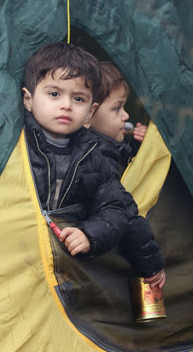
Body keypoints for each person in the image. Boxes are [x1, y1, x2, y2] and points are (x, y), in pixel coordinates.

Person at [21, 42, 164, 289]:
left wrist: (89, 234)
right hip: (15, 258)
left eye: (78, 98)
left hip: (59, 275)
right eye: (54, 94)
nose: (66, 105)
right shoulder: (15, 145)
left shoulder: (95, 159)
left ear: (90, 112)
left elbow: (117, 210)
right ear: (28, 99)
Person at [86, 61, 166, 288]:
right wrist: (153, 265)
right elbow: (123, 212)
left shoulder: (100, 148)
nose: (126, 115)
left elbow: (120, 166)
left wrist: (139, 149)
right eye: (117, 108)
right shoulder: (95, 158)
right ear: (89, 114)